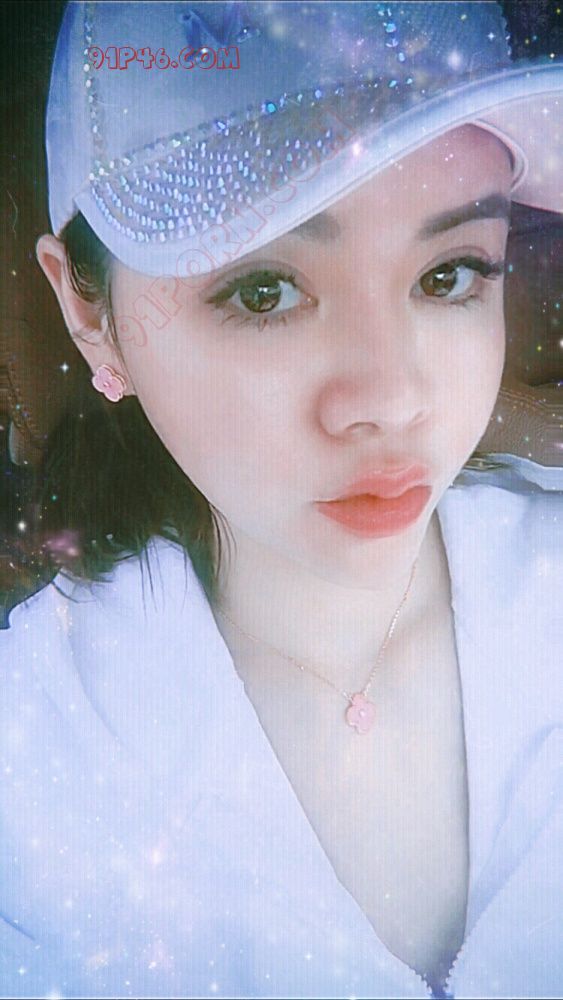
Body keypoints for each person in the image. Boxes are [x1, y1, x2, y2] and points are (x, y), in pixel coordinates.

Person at [1, 3, 562, 998]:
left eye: (448, 275)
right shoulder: (34, 748)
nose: (391, 397)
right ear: (90, 313)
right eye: (263, 292)